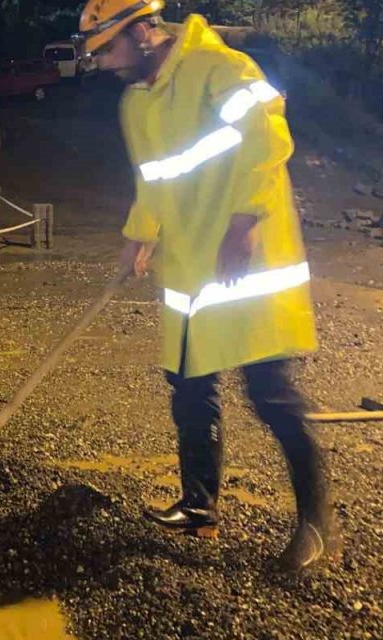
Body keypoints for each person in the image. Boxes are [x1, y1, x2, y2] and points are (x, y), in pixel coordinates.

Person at [76, 0, 336, 572]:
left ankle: (317, 526)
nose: (101, 64)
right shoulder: (136, 101)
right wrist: (138, 236)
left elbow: (267, 141)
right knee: (189, 383)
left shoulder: (221, 69)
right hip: (189, 264)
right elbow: (154, 180)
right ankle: (200, 507)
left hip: (247, 259)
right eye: (95, 54)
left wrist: (243, 224)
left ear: (143, 31)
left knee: (270, 393)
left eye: (107, 49)